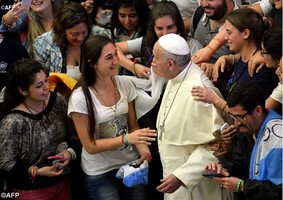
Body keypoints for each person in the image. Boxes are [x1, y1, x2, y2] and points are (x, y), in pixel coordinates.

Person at [67, 35, 157, 200]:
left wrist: (144, 152)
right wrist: (127, 139)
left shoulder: (124, 84)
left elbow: (133, 125)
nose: (116, 61)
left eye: (116, 54)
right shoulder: (80, 98)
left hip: (130, 164)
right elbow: (90, 146)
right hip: (100, 171)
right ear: (91, 63)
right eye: (109, 57)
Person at [152, 33, 233, 200]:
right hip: (174, 176)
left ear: (170, 63)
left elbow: (217, 145)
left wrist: (181, 176)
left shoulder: (198, 92)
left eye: (155, 58)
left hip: (197, 187)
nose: (152, 62)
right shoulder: (176, 76)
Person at [0, 59, 79, 199]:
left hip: (62, 181)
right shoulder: (13, 121)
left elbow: (74, 134)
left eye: (46, 80)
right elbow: (6, 161)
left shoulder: (57, 100)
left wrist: (69, 153)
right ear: (23, 90)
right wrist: (37, 171)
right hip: (32, 190)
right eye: (39, 85)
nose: (47, 87)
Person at [206, 82, 282, 200]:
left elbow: (279, 191)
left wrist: (242, 186)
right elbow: (239, 162)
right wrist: (223, 169)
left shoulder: (278, 139)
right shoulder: (245, 129)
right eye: (233, 117)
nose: (236, 123)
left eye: (240, 117)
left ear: (258, 110)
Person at [116, 0, 202, 79]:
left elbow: (198, 78)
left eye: (170, 27)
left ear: (178, 25)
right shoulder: (147, 41)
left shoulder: (193, 46)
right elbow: (115, 48)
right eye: (160, 28)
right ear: (153, 28)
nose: (165, 33)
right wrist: (134, 67)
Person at [33, 2, 92, 80]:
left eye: (84, 32)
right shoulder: (42, 44)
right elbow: (42, 80)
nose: (80, 38)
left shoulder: (99, 36)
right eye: (75, 34)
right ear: (62, 30)